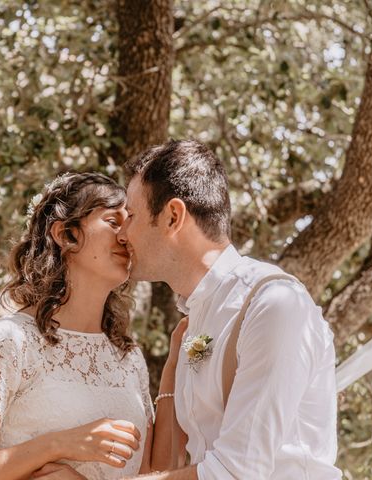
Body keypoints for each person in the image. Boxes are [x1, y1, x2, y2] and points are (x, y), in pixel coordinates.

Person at [117, 140, 342, 479]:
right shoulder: (196, 319)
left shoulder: (273, 304)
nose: (121, 233)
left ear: (173, 217)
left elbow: (237, 471)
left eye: (130, 216)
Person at [0, 172, 165, 480]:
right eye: (112, 222)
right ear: (66, 235)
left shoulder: (129, 358)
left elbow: (145, 474)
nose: (126, 235)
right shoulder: (7, 342)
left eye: (129, 223)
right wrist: (57, 445)